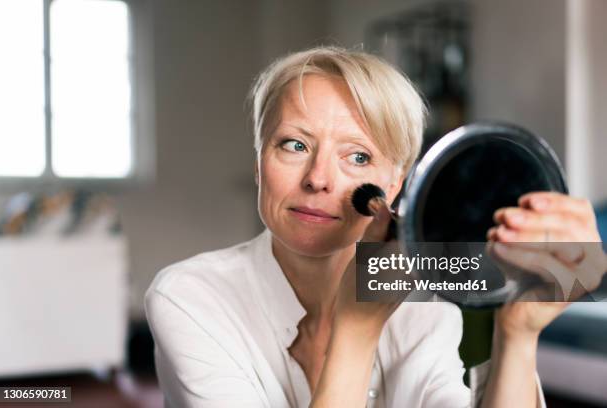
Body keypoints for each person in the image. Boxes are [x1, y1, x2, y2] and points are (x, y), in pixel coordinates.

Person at [145, 46, 606, 407]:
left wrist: (519, 334)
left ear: (396, 182)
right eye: (293, 144)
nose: (318, 178)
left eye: (358, 156)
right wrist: (356, 332)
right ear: (258, 163)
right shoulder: (188, 297)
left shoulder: (424, 306)